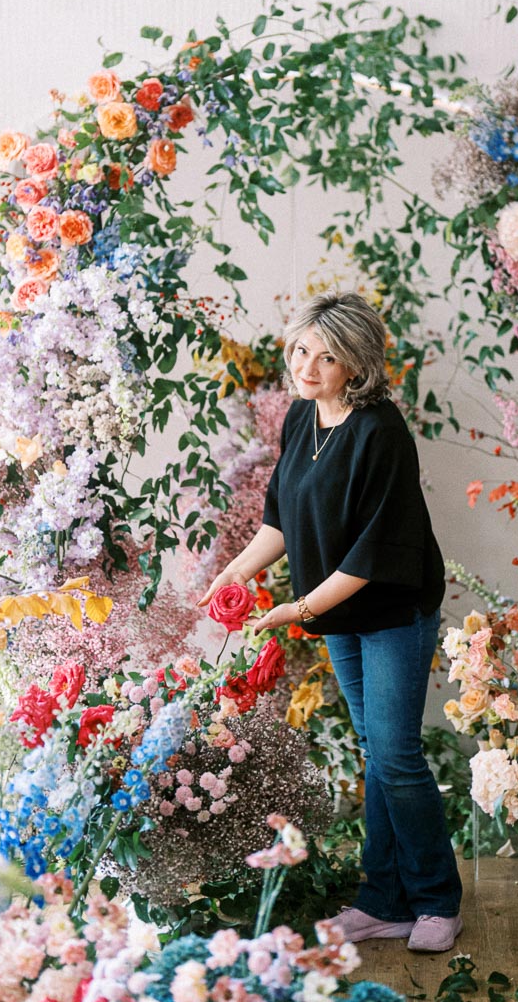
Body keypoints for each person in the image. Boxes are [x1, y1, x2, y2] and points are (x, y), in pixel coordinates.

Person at [198, 291, 463, 953]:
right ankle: (384, 902)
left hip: (392, 609)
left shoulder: (381, 431)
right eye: (300, 351)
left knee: (396, 756)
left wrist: (300, 609)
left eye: (326, 358)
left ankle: (437, 901)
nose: (307, 368)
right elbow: (281, 519)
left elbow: (376, 553)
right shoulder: (301, 417)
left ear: (356, 365)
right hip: (338, 612)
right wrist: (235, 572)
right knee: (378, 754)